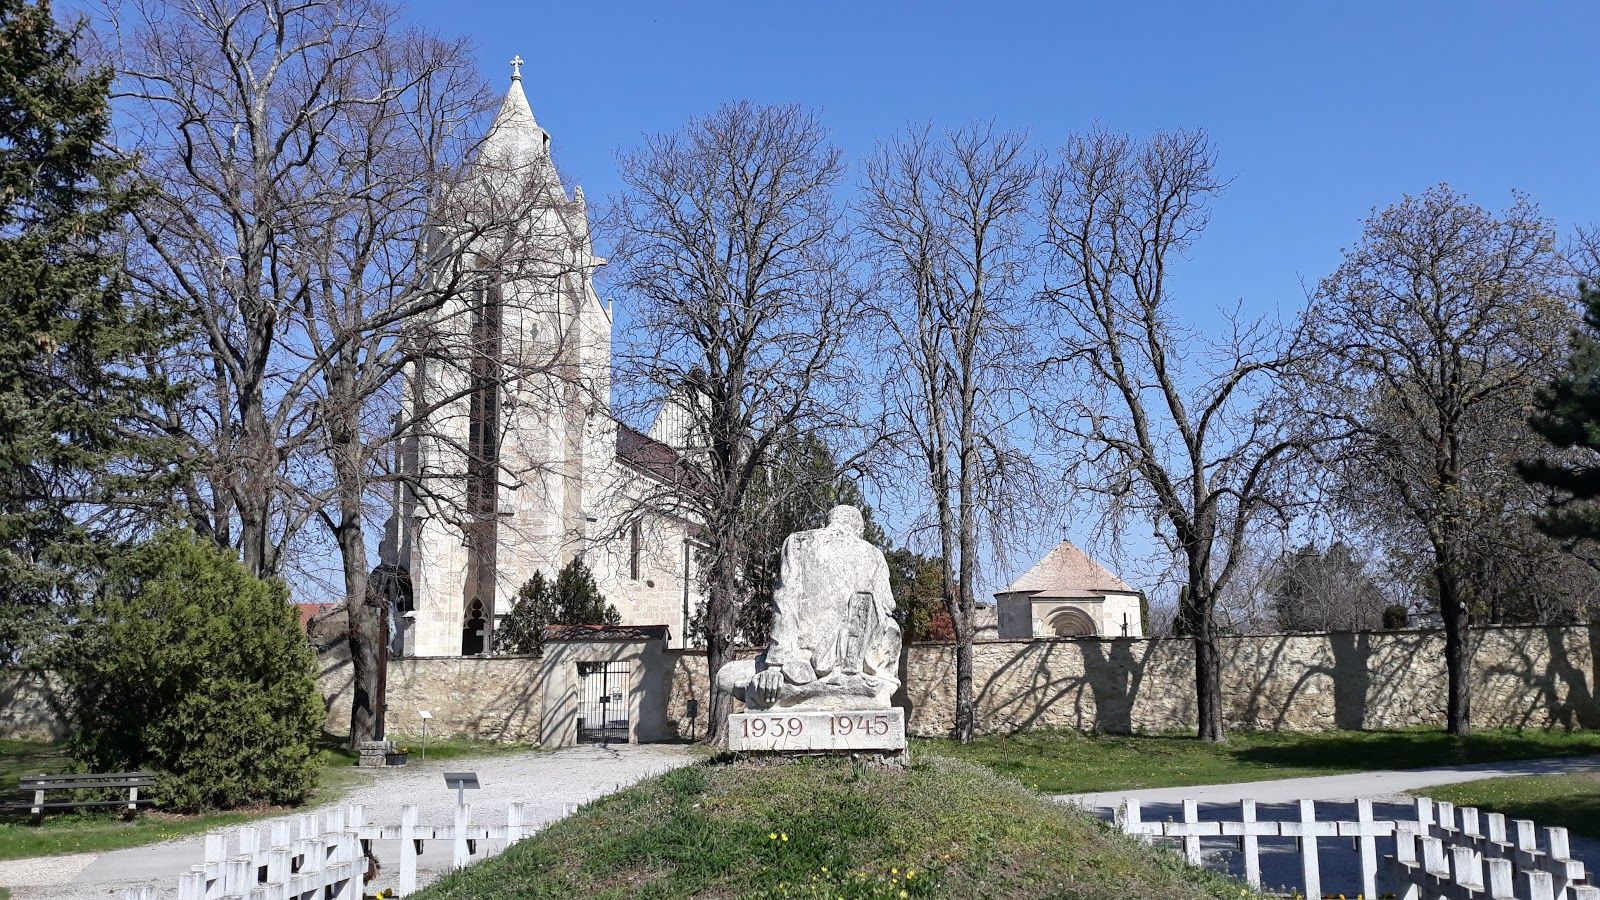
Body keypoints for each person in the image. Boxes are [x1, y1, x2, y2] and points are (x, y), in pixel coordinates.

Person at [715, 505, 902, 711]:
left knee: (726, 676)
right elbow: (884, 614)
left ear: (827, 523)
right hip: (846, 667)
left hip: (796, 662)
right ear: (859, 530)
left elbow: (785, 602)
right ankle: (834, 691)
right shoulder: (874, 555)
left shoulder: (799, 542)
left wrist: (774, 667)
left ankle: (796, 693)